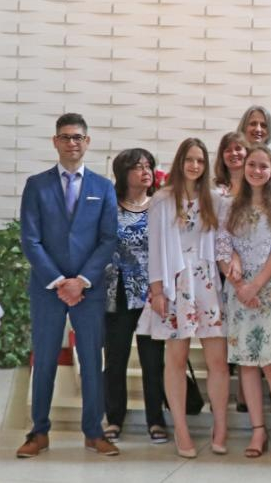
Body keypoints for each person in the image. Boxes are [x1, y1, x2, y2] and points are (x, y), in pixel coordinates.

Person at [18, 113, 119, 457]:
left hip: (89, 289)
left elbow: (108, 239)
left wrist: (82, 281)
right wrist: (60, 281)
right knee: (44, 360)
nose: (72, 142)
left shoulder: (103, 187)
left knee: (91, 361)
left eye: (78, 137)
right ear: (55, 141)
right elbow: (30, 239)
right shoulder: (36, 185)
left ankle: (94, 432)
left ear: (87, 142)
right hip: (47, 288)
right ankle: (38, 432)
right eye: (65, 137)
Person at [136, 138, 230, 458]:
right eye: (189, 159)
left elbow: (224, 243)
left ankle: (220, 427)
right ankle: (181, 428)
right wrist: (157, 290)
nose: (194, 165)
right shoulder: (162, 199)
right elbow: (154, 248)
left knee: (218, 360)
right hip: (174, 282)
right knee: (176, 359)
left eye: (200, 161)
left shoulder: (215, 199)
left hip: (207, 282)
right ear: (180, 162)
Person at [216, 144, 271, 459]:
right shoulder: (228, 204)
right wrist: (239, 284)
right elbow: (222, 246)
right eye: (251, 165)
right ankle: (258, 431)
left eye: (263, 166)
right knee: (247, 363)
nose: (256, 171)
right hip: (240, 291)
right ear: (243, 167)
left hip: (270, 288)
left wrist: (254, 286)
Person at [102, 149, 167, 445]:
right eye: (138, 166)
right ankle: (114, 418)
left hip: (152, 293)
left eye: (148, 166)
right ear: (123, 172)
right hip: (116, 292)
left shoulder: (160, 206)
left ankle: (156, 420)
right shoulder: (109, 207)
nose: (146, 171)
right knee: (115, 359)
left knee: (153, 361)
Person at [214, 132, 249, 197]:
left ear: (247, 151)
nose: (234, 153)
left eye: (238, 149)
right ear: (222, 156)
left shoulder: (255, 184)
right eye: (228, 150)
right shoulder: (213, 187)